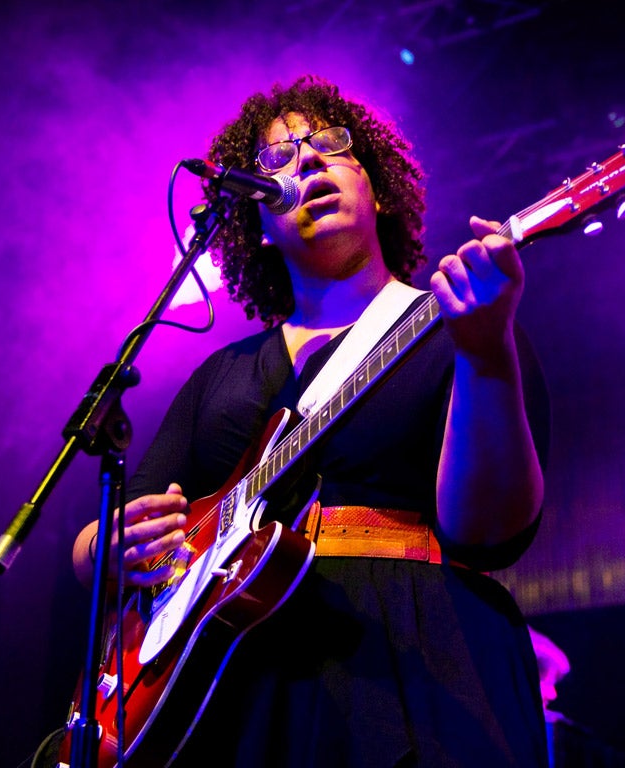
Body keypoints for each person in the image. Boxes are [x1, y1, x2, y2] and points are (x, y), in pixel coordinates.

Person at [66, 73, 550, 767]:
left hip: (411, 659)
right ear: (258, 223)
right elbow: (116, 533)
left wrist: (487, 355)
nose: (309, 162)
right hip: (229, 680)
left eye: (330, 146)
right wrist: (108, 549)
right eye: (278, 160)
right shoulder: (221, 376)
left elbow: (490, 532)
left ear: (378, 192)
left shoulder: (462, 324)